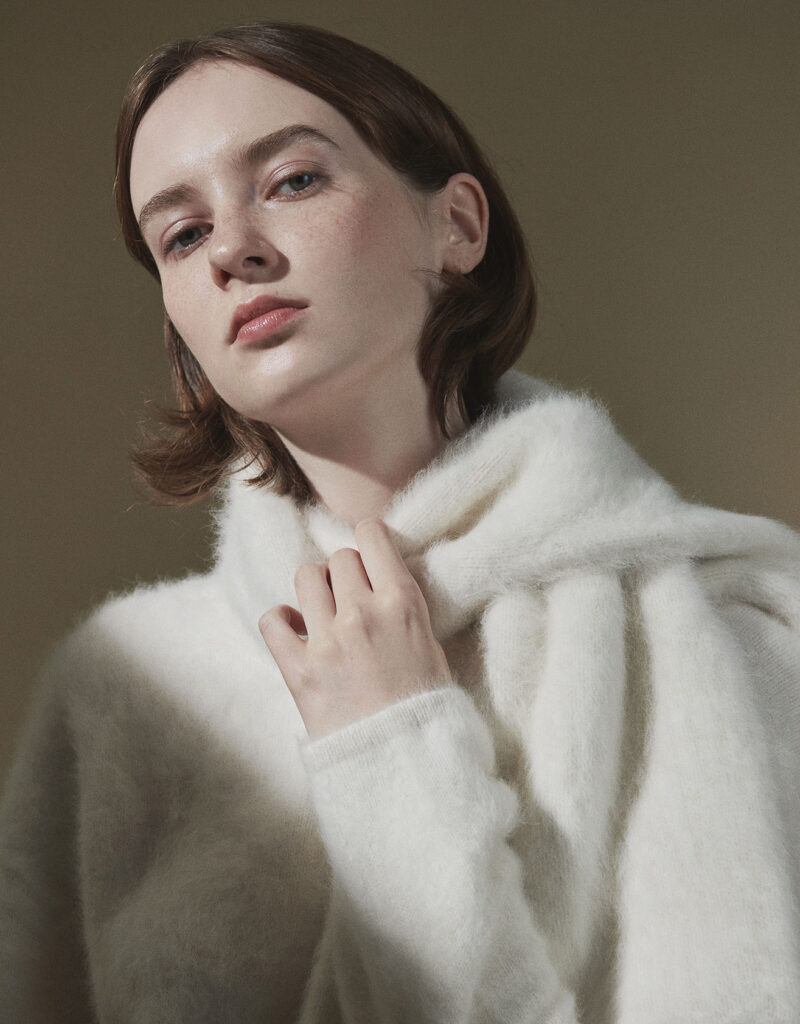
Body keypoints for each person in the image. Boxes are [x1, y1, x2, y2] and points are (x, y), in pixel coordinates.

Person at [1, 20, 799, 1024]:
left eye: (292, 180)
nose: (234, 250)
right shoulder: (122, 690)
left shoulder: (737, 636)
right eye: (183, 235)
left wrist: (391, 746)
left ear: (455, 225)